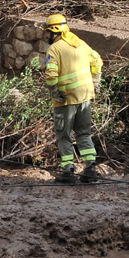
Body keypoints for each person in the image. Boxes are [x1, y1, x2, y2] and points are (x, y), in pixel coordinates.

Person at [43, 14, 103, 183]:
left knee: (64, 136)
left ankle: (68, 170)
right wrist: (96, 82)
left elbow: (51, 75)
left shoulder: (54, 49)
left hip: (65, 100)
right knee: (84, 134)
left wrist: (54, 91)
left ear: (55, 31)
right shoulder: (81, 44)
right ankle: (90, 169)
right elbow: (97, 61)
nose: (46, 36)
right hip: (84, 99)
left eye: (47, 32)